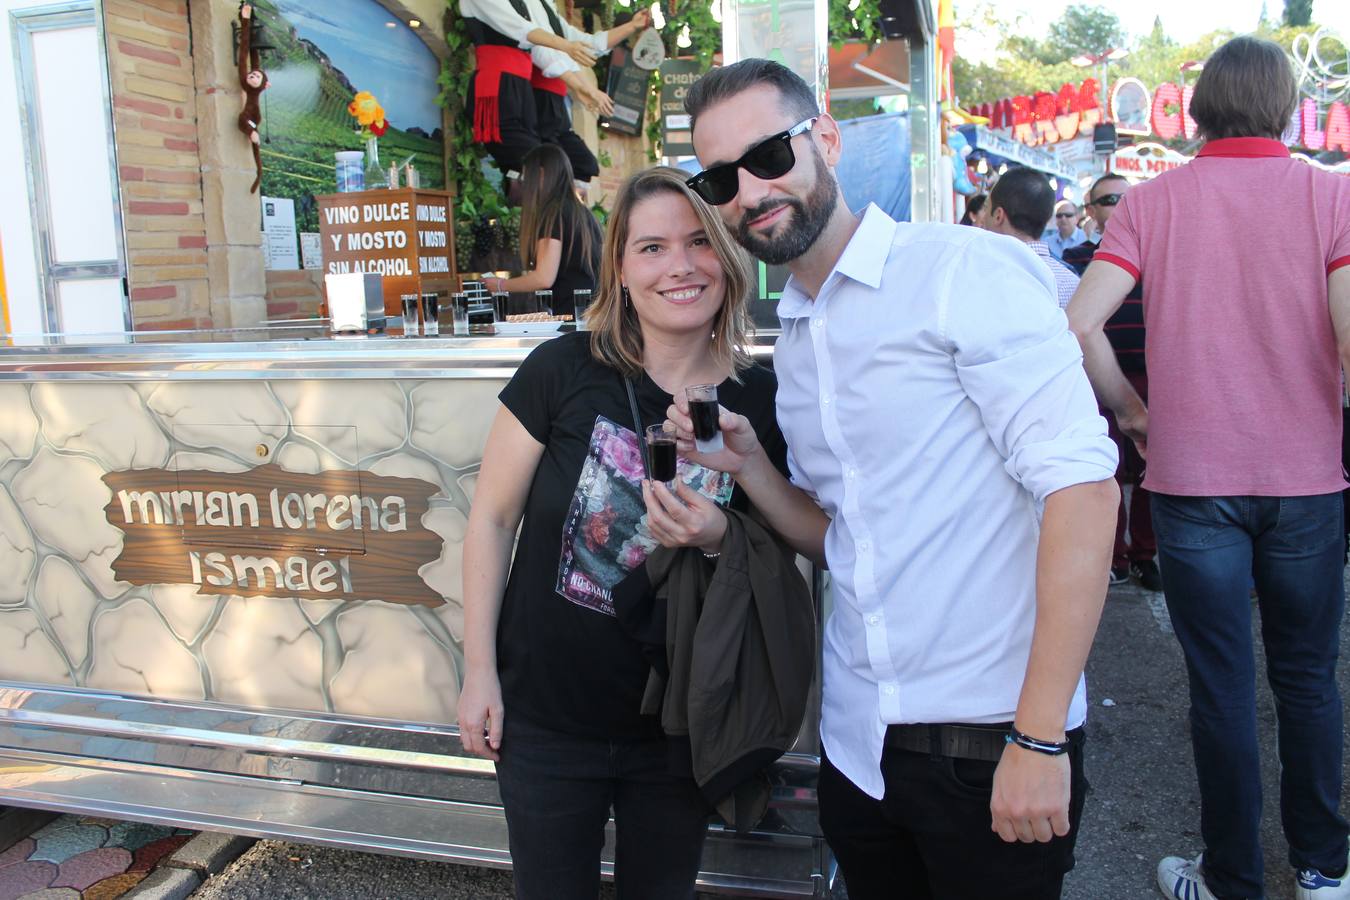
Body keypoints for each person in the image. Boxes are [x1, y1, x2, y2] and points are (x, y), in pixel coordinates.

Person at [681, 58, 1120, 899]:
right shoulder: (800, 337)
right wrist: (753, 471)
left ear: (828, 140)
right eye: (720, 177)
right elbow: (845, 534)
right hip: (861, 751)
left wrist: (1039, 740)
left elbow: (1084, 492)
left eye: (770, 155)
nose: (750, 190)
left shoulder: (962, 273)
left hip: (991, 742)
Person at [1067, 35, 1350, 900]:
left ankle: (1230, 877)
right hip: (1307, 482)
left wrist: (1134, 413)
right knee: (1308, 679)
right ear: (1283, 104)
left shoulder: (1152, 203)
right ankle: (1323, 869)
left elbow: (1078, 325)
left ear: (1201, 109)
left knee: (1220, 686)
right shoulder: (1332, 197)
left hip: (1191, 483)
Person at [459, 165, 787, 900]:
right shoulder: (562, 369)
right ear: (620, 268)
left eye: (700, 241)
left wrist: (716, 536)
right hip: (545, 719)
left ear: (727, 259)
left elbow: (786, 548)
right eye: (651, 247)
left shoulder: (759, 398)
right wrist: (479, 671)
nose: (680, 265)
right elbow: (491, 518)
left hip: (682, 727)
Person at [1063, 173, 1160, 591]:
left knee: (1150, 475)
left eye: (1125, 197)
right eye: (1108, 199)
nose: (1118, 205)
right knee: (1107, 471)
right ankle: (1113, 557)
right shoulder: (1075, 257)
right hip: (1094, 378)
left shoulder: (1158, 251)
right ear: (1092, 209)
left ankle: (1144, 554)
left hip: (1152, 377)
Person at [459, 0, 648, 180]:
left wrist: (632, 26)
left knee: (562, 166)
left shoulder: (541, 6)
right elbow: (525, 33)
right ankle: (530, 197)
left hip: (522, 91)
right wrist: (578, 78)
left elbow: (580, 46)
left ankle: (540, 202)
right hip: (498, 85)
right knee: (538, 165)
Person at [482, 144, 602, 316]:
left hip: (569, 316)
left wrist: (500, 285)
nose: (524, 185)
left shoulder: (553, 214)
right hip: (592, 313)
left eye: (526, 177)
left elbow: (544, 277)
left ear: (541, 173)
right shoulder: (583, 213)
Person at [985, 168, 1081, 309]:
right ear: (1048, 218)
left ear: (998, 215)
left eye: (987, 207)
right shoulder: (1072, 283)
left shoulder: (982, 275)